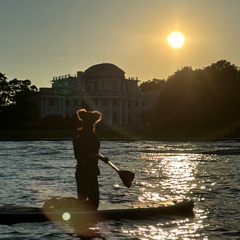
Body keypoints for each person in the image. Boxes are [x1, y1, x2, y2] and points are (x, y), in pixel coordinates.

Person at [72, 108, 109, 210]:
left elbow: (80, 153)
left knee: (81, 201)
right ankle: (90, 223)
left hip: (79, 170)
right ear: (93, 123)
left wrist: (96, 154)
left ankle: (82, 223)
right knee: (94, 203)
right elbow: (88, 154)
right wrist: (102, 158)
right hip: (89, 171)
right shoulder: (91, 135)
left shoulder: (77, 134)